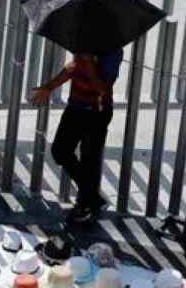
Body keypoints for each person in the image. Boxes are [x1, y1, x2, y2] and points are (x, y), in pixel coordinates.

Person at [31, 49, 123, 224]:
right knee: (60, 151)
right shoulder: (85, 39)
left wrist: (88, 62)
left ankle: (85, 206)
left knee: (89, 160)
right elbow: (73, 66)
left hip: (96, 112)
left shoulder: (112, 51)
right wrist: (49, 87)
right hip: (76, 107)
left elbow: (102, 87)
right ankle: (92, 198)